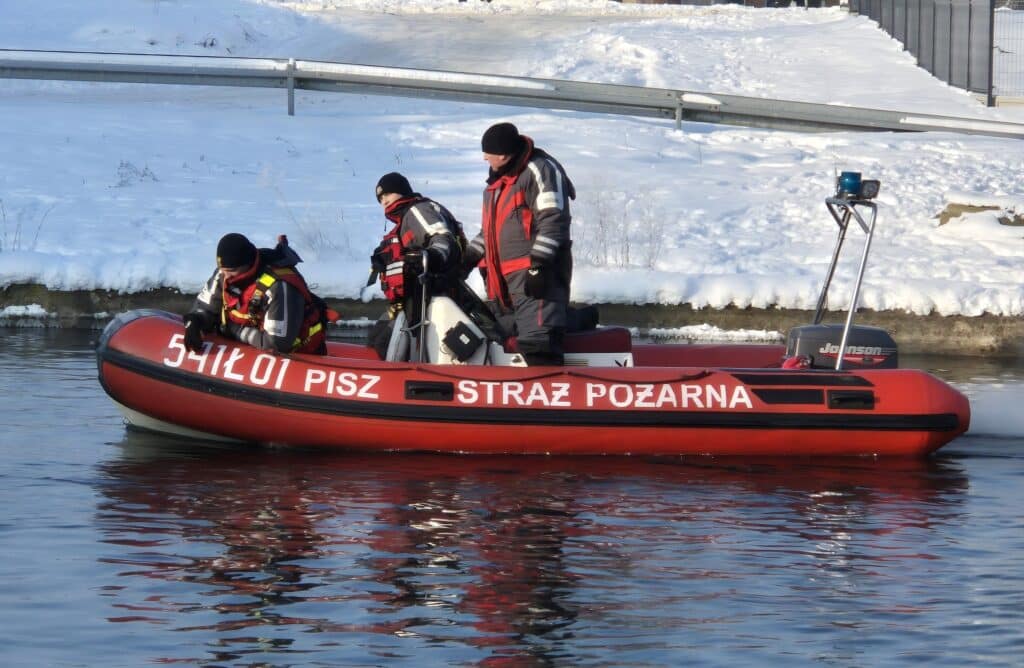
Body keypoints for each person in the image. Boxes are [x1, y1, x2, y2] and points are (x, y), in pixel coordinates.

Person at [461, 122, 576, 366]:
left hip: (535, 279)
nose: (484, 158)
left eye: (487, 153)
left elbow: (553, 219)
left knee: (538, 346)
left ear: (502, 155)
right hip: (503, 285)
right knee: (507, 345)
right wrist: (468, 258)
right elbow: (490, 233)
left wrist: (539, 265)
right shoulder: (496, 186)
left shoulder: (540, 170)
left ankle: (546, 393)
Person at [367, 172, 467, 358]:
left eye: (387, 194)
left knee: (383, 343)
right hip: (411, 300)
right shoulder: (405, 219)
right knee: (377, 338)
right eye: (380, 198)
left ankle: (394, 383)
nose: (384, 200)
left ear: (402, 191)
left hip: (429, 295)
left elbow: (442, 239)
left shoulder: (417, 211)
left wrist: (433, 256)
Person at [183, 232, 328, 355]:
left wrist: (234, 331)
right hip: (250, 345)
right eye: (223, 270)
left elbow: (277, 344)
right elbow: (205, 307)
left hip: (297, 355)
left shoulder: (278, 287)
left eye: (231, 271)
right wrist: (194, 322)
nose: (226, 277)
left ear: (246, 265)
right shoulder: (225, 273)